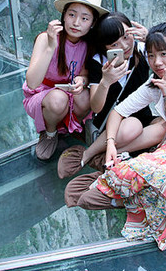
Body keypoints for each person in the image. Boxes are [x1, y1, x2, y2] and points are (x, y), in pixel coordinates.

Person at [65, 23, 166, 251]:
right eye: (152, 55)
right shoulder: (156, 82)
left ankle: (120, 194)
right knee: (143, 164)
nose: (158, 62)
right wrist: (112, 144)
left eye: (165, 54)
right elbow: (118, 111)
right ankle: (118, 187)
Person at [57, 12, 159, 178]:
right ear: (105, 47)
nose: (124, 46)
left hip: (141, 115)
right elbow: (96, 106)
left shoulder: (143, 51)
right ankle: (91, 153)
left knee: (164, 125)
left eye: (127, 37)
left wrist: (152, 40)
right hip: (110, 120)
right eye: (114, 44)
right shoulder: (99, 61)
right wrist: (106, 81)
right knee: (132, 127)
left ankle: (110, 154)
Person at [23, 0, 109, 160]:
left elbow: (85, 75)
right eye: (72, 15)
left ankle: (71, 127)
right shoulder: (45, 38)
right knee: (58, 100)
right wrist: (50, 46)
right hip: (42, 95)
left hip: (69, 93)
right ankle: (50, 133)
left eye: (84, 18)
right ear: (63, 15)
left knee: (86, 98)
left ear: (92, 23)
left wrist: (82, 81)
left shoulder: (88, 45)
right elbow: (32, 83)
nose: (76, 23)